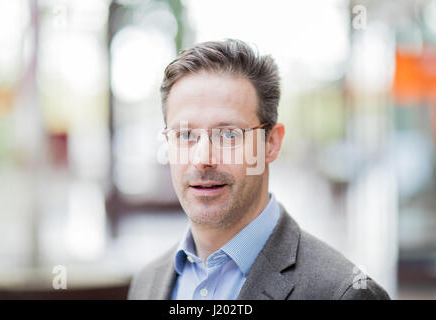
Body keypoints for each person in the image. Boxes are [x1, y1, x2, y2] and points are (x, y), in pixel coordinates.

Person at [127, 39, 390, 300]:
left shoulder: (345, 293)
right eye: (185, 134)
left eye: (228, 134)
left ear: (271, 144)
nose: (202, 158)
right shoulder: (147, 283)